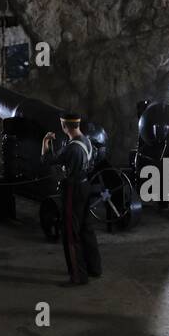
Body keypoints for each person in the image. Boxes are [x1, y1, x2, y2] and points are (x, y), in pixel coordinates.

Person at [41, 112, 102, 284]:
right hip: (85, 186)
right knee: (86, 229)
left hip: (73, 190)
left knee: (70, 233)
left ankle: (78, 275)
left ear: (64, 126)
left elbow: (47, 160)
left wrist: (45, 141)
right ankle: (94, 268)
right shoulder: (86, 142)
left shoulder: (71, 148)